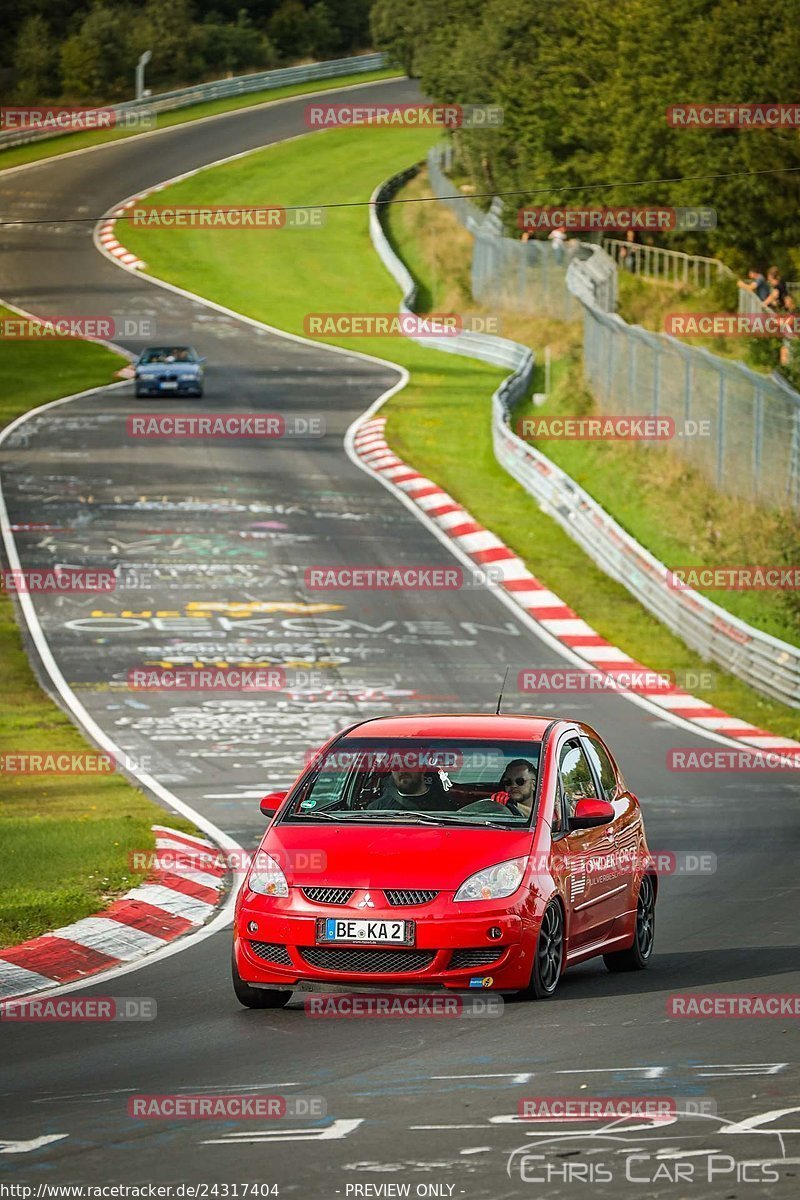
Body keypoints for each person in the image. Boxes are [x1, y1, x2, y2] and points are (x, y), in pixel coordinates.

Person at [368, 768, 449, 811]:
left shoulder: (446, 807)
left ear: (422, 769)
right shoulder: (377, 809)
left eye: (408, 764)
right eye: (396, 766)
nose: (402, 771)